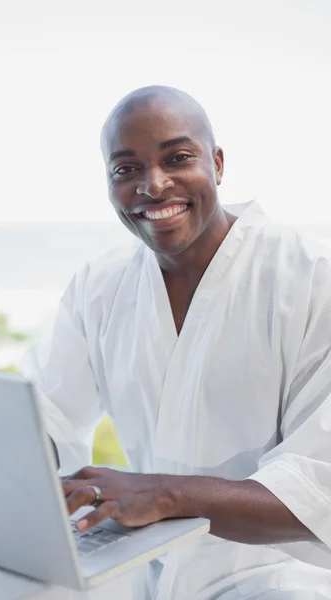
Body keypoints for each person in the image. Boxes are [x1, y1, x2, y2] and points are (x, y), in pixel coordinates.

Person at [23, 86, 331, 599]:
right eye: (126, 169)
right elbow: (45, 418)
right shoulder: (99, 287)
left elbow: (320, 489)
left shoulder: (310, 279)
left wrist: (164, 493)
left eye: (178, 158)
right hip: (146, 566)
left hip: (281, 581)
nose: (154, 184)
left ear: (217, 162)